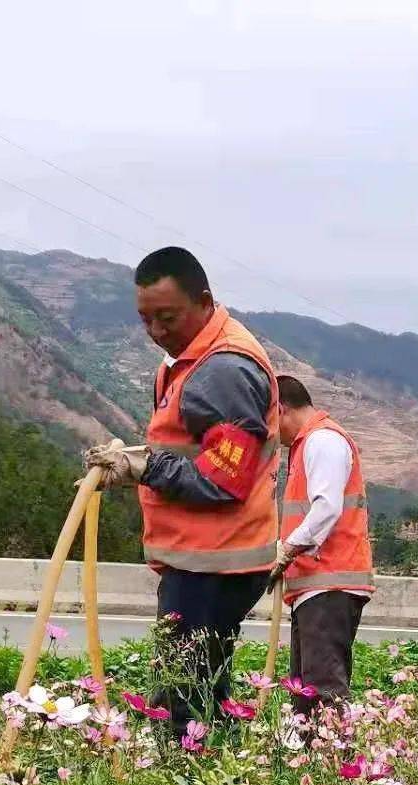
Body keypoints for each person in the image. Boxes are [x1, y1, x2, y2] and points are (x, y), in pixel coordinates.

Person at [83, 247, 279, 738]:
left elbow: (222, 479)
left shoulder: (225, 370)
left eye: (167, 317)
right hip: (200, 560)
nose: (155, 331)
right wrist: (134, 463)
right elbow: (187, 447)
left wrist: (146, 466)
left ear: (204, 301)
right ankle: (210, 782)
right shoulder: (188, 361)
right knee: (199, 690)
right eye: (145, 319)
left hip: (214, 564)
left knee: (180, 700)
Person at [268, 376, 374, 712]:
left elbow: (327, 507)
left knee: (322, 691)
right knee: (305, 694)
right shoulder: (307, 444)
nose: (270, 433)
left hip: (330, 581)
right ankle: (313, 758)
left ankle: (331, 761)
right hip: (316, 585)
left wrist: (286, 549)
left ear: (280, 410)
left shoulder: (322, 441)